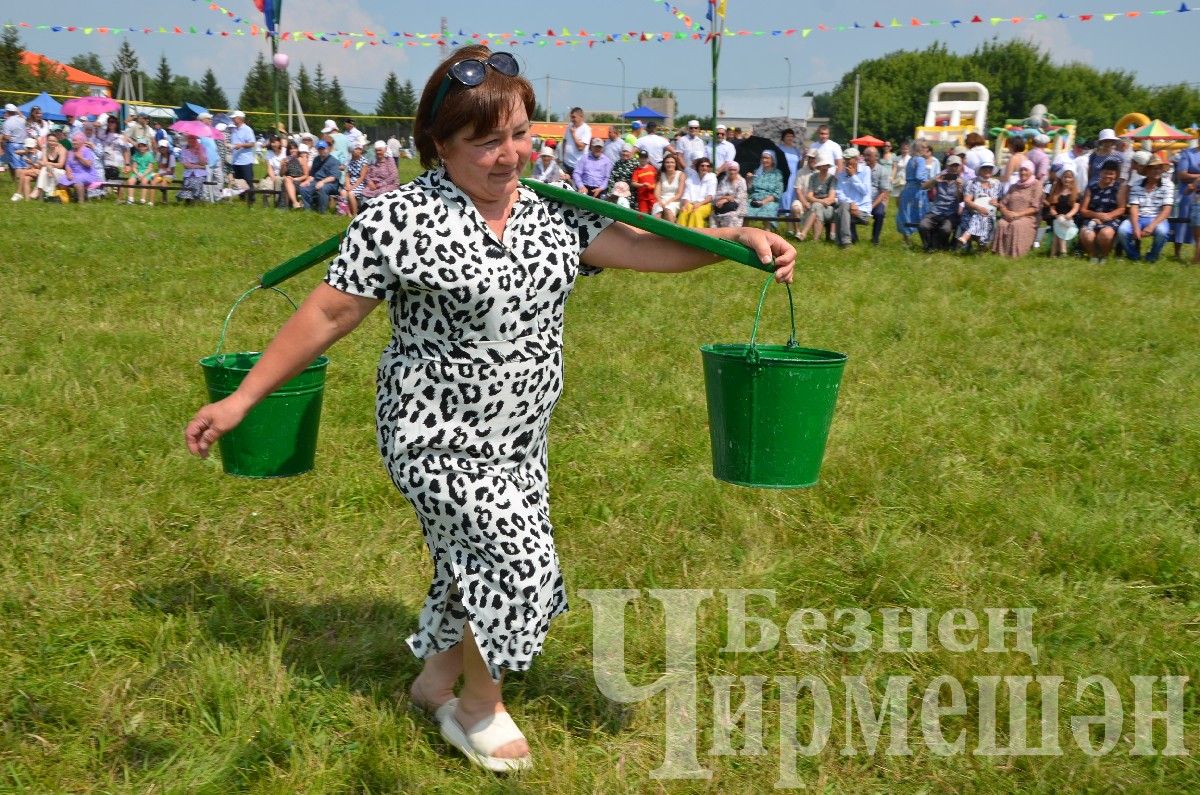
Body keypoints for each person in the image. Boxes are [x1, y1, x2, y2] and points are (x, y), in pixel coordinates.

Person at [184, 44, 794, 775]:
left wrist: (733, 242)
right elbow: (328, 312)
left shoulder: (553, 214)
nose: (509, 156)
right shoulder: (398, 221)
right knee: (517, 563)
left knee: (464, 564)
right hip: (431, 432)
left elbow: (644, 246)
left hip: (518, 439)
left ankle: (435, 679)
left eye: (520, 134)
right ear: (439, 145)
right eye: (485, 142)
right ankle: (477, 706)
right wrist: (244, 398)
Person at [1118, 157, 1174, 263]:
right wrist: (1135, 227)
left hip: (1157, 218)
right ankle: (1134, 256)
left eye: (1159, 168)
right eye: (1153, 168)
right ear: (1147, 170)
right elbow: (1134, 207)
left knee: (1162, 232)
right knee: (1122, 231)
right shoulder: (1136, 184)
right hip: (1138, 217)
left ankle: (1152, 256)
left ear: (1162, 170)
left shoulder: (1169, 185)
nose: (1157, 171)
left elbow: (1167, 210)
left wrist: (1151, 226)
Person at [1078, 163, 1127, 264]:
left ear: (1116, 175)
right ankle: (1093, 255)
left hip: (1111, 218)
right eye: (1105, 173)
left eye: (1111, 174)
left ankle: (1104, 255)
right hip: (1092, 217)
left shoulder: (1119, 188)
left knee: (1105, 234)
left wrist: (1108, 216)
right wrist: (1097, 215)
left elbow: (1122, 209)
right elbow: (1083, 210)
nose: (1108, 176)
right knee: (1087, 234)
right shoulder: (1092, 187)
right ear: (1100, 173)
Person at [993, 162, 1042, 258]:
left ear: (1031, 172)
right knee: (1002, 223)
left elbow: (1035, 207)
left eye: (1025, 170)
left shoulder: (1037, 185)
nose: (1023, 172)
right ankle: (1000, 253)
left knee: (1016, 224)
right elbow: (1002, 204)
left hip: (1029, 217)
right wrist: (1006, 213)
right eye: (1021, 170)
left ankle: (1015, 253)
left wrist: (1018, 214)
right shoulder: (1013, 186)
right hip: (1011, 215)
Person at [896, 140, 934, 243]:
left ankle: (906, 240)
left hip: (907, 189)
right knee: (922, 215)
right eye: (925, 147)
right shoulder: (921, 160)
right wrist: (929, 182)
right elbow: (919, 176)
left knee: (906, 213)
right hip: (917, 191)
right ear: (920, 149)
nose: (927, 149)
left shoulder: (911, 160)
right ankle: (926, 241)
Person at [834, 147, 873, 248]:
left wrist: (852, 176)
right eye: (845, 159)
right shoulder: (842, 174)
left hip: (862, 210)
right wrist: (851, 203)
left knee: (841, 210)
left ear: (856, 159)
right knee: (842, 206)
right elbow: (840, 193)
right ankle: (846, 241)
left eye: (848, 159)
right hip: (847, 207)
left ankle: (841, 241)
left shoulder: (866, 170)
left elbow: (865, 190)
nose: (846, 161)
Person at [796, 155, 837, 242]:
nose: (825, 167)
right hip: (817, 206)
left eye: (827, 165)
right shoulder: (813, 177)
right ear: (819, 166)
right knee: (817, 207)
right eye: (823, 165)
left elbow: (831, 198)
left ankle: (803, 234)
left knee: (816, 206)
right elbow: (809, 196)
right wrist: (820, 201)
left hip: (829, 209)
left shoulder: (832, 179)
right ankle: (815, 240)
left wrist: (817, 200)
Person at [1170, 138, 1199, 259]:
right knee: (1182, 221)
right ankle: (1177, 252)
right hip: (1187, 193)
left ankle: (1196, 256)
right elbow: (1181, 175)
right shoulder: (1187, 153)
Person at [1043, 171, 1080, 257]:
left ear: (1073, 179)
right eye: (1065, 177)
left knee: (1060, 224)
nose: (1067, 179)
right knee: (1059, 222)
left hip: (1070, 220)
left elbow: (1076, 208)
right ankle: (1062, 252)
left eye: (1069, 177)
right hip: (1057, 218)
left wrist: (1068, 216)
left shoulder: (1076, 193)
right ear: (1061, 178)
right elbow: (1052, 208)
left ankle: (1054, 253)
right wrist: (1057, 215)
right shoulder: (1056, 192)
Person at [299, 140, 342, 212]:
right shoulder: (316, 159)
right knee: (304, 188)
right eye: (320, 149)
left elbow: (333, 177)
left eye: (323, 148)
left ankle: (322, 211)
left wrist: (322, 182)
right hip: (316, 181)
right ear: (318, 150)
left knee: (323, 188)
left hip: (331, 183)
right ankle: (307, 209)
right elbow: (312, 175)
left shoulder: (334, 161)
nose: (322, 151)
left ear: (327, 149)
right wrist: (307, 181)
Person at [61, 132, 103, 203]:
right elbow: (67, 165)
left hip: (87, 173)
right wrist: (68, 173)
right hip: (74, 173)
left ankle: (81, 201)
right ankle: (70, 198)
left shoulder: (87, 151)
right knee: (61, 181)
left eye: (75, 140)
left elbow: (88, 164)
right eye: (73, 140)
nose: (73, 142)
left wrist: (79, 157)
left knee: (77, 181)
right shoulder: (70, 152)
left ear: (81, 141)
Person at [744, 150, 784, 223]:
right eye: (762, 158)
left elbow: (777, 193)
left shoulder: (777, 174)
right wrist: (749, 180)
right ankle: (744, 233)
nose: (764, 160)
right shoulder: (757, 172)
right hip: (754, 200)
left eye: (767, 158)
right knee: (745, 211)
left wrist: (763, 202)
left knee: (767, 212)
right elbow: (750, 190)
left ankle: (767, 233)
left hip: (769, 201)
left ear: (773, 160)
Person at [863, 146, 891, 245]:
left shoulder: (882, 170)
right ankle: (852, 237)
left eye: (868, 156)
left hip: (876, 200)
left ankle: (875, 239)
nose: (866, 158)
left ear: (876, 157)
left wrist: (871, 206)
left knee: (880, 213)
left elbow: (883, 192)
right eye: (865, 155)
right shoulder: (860, 168)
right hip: (861, 200)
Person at [678, 157, 717, 227]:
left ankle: (694, 236)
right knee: (684, 212)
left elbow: (710, 197)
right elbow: (686, 193)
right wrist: (686, 204)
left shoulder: (712, 178)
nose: (705, 168)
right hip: (691, 203)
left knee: (696, 213)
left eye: (707, 166)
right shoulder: (691, 177)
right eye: (702, 165)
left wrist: (699, 204)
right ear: (698, 167)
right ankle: (678, 236)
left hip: (705, 204)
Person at [228, 110, 257, 204]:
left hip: (245, 160)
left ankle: (251, 199)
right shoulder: (234, 130)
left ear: (240, 119)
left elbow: (252, 143)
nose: (232, 119)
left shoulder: (247, 129)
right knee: (238, 181)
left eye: (234, 118)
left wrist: (241, 145)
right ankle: (242, 198)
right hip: (236, 160)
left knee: (248, 181)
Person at [31, 131, 67, 200]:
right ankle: (44, 196)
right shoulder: (45, 148)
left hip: (61, 172)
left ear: (57, 141)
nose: (51, 142)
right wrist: (48, 166)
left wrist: (49, 165)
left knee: (45, 170)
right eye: (49, 140)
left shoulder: (62, 149)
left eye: (53, 141)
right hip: (48, 171)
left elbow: (60, 165)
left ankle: (38, 190)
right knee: (45, 170)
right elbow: (44, 162)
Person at [711, 159, 747, 228]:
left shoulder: (741, 181)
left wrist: (725, 199)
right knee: (713, 215)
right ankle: (714, 237)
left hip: (736, 208)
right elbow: (717, 195)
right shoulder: (724, 180)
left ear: (738, 171)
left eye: (734, 170)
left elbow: (739, 198)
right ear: (727, 170)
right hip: (722, 207)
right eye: (730, 170)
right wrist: (726, 198)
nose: (732, 172)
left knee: (730, 216)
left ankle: (728, 237)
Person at [651, 151, 685, 221]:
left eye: (672, 162)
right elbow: (657, 192)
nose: (670, 164)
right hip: (661, 200)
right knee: (657, 214)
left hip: (674, 201)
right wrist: (661, 202)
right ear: (664, 164)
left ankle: (672, 231)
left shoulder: (681, 174)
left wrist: (668, 202)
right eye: (667, 162)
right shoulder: (661, 174)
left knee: (668, 211)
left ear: (675, 164)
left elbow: (679, 194)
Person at [176, 134, 209, 204]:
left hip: (200, 174)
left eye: (193, 139)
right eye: (189, 139)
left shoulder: (202, 148)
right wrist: (198, 166)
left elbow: (203, 163)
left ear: (196, 139)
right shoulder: (184, 149)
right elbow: (186, 165)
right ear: (187, 140)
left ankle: (190, 198)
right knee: (188, 181)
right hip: (189, 173)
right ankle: (189, 199)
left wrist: (199, 151)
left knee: (195, 182)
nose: (191, 140)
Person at [3, 103, 28, 193]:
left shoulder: (7, 122)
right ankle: (24, 182)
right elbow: (23, 117)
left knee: (17, 166)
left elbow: (6, 137)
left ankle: (19, 185)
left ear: (7, 112)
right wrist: (18, 110)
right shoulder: (22, 119)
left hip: (13, 144)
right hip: (22, 144)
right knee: (23, 165)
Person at [560, 106, 591, 177]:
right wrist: (563, 157)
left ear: (581, 117)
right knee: (564, 186)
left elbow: (581, 148)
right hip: (566, 163)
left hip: (578, 166)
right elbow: (565, 141)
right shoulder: (569, 126)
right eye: (571, 117)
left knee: (575, 187)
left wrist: (573, 134)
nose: (572, 119)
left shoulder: (586, 129)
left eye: (574, 117)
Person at [127, 138, 157, 205]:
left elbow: (150, 168)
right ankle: (130, 199)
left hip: (146, 172)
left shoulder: (150, 155)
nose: (141, 148)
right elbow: (134, 167)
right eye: (140, 146)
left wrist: (143, 175)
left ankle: (142, 200)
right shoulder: (136, 155)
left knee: (144, 181)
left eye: (143, 146)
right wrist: (137, 174)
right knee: (130, 181)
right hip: (137, 172)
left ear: (146, 147)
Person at [280, 140, 309, 209]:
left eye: (294, 148)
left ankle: (287, 206)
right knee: (287, 180)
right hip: (288, 180)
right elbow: (281, 174)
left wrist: (296, 179)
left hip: (299, 181)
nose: (293, 150)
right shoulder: (285, 160)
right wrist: (284, 165)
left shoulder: (301, 159)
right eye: (291, 149)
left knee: (286, 182)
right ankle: (295, 203)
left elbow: (306, 175)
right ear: (288, 150)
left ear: (297, 149)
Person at [342, 143, 368, 215]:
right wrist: (348, 185)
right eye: (356, 149)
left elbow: (362, 177)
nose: (358, 151)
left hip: (360, 183)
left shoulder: (364, 161)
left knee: (351, 193)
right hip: (351, 183)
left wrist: (352, 187)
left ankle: (355, 213)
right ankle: (348, 213)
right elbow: (347, 175)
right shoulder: (349, 161)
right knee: (343, 192)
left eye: (360, 149)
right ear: (352, 151)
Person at [630, 148, 657, 214]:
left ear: (647, 159)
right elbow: (633, 183)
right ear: (639, 159)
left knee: (655, 214)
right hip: (642, 198)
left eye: (645, 158)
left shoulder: (652, 168)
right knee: (643, 215)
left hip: (653, 196)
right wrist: (642, 185)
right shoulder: (636, 171)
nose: (643, 159)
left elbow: (657, 180)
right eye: (641, 157)